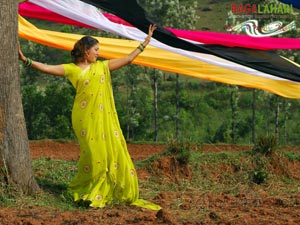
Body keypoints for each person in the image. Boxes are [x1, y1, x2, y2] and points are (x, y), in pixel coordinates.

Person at [19, 24, 161, 210]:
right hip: (83, 118)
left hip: (104, 119)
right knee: (93, 154)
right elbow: (47, 68)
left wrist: (145, 42)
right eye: (96, 50)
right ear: (85, 51)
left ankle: (100, 190)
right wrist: (25, 60)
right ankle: (88, 189)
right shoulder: (71, 69)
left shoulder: (102, 67)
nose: (98, 53)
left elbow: (127, 59)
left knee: (104, 153)